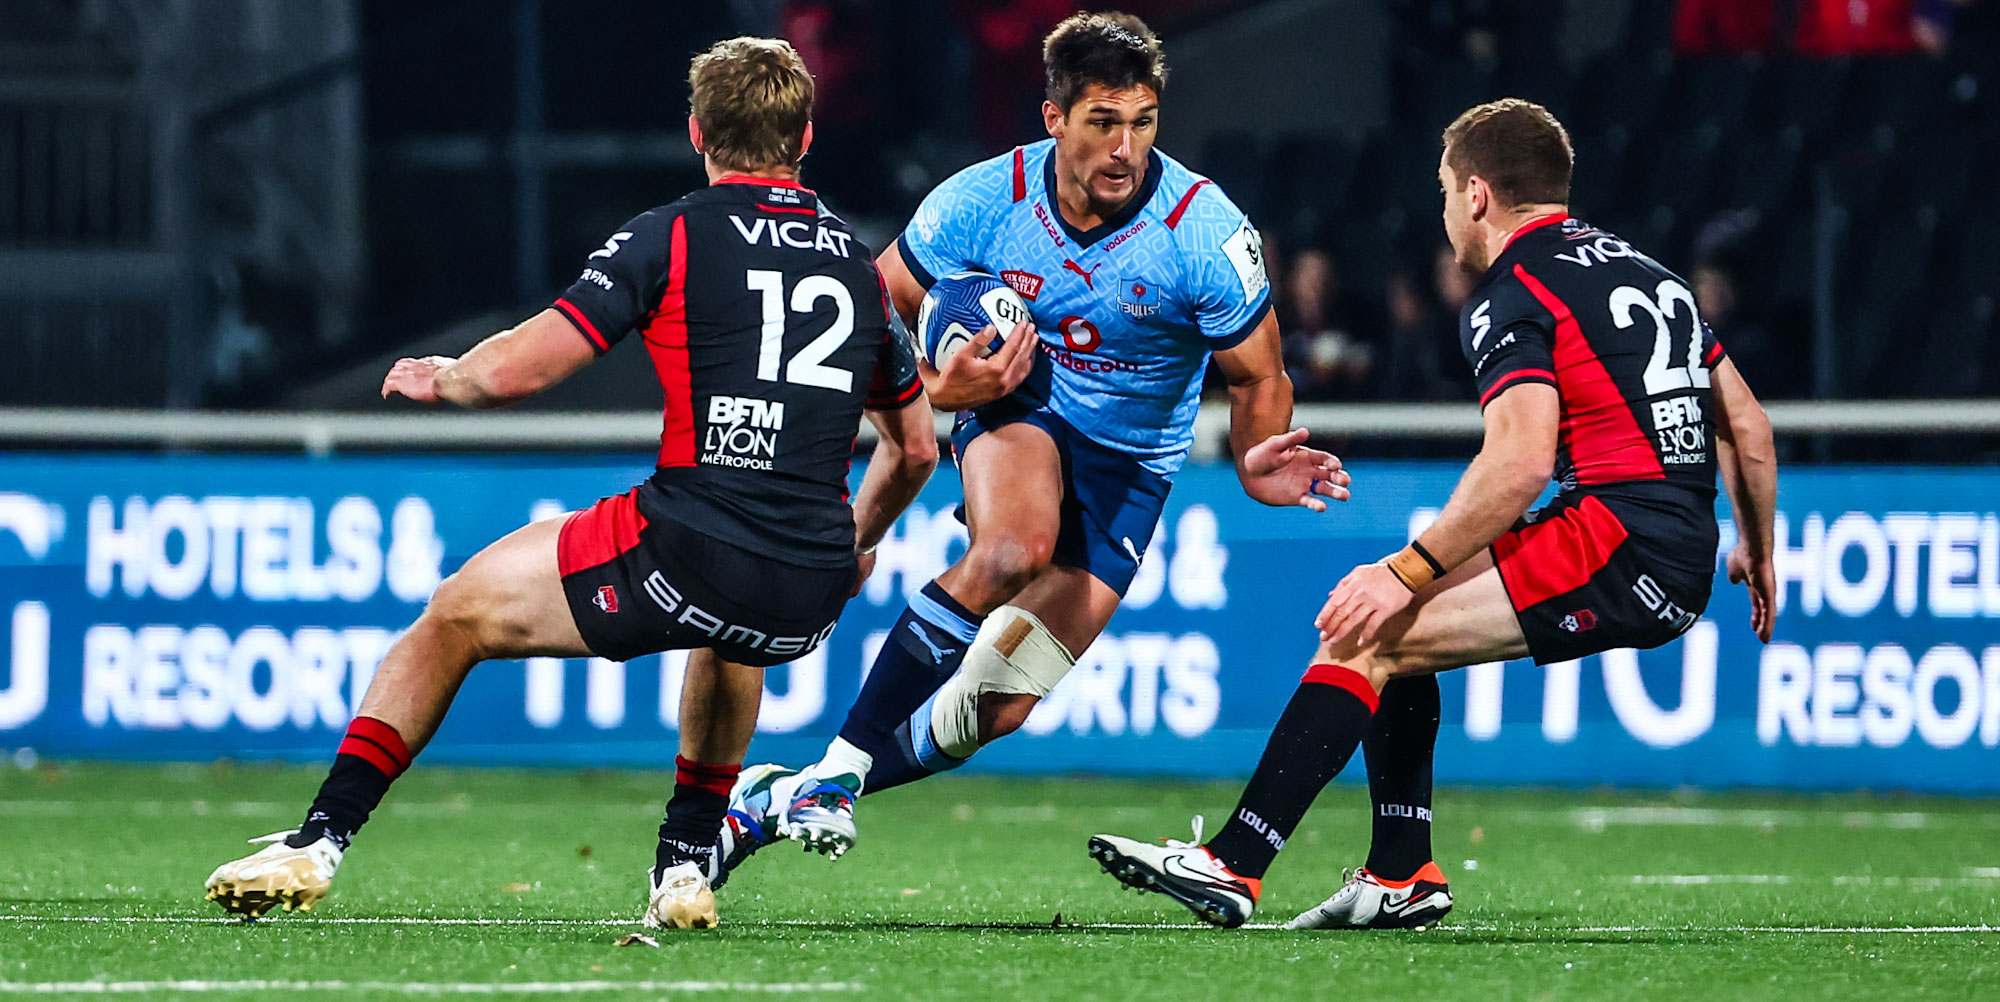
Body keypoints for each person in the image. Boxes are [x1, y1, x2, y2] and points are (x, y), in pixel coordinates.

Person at [201, 37, 938, 931]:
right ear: (806, 137)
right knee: (730, 633)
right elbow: (913, 450)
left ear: (697, 131)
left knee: (454, 617)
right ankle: (684, 866)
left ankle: (317, 841)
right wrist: (856, 547)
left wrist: (449, 377)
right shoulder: (860, 271)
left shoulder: (671, 233)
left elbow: (518, 370)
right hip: (807, 584)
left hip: (690, 542)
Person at [1087, 98, 1779, 929]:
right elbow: (1747, 426)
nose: (1445, 208)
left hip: (1615, 536)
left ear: (1478, 195)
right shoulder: (1648, 274)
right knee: (1396, 630)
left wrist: (1406, 566)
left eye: (1447, 189)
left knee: (1368, 628)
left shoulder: (1513, 289)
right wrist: (1754, 547)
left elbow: (1519, 462)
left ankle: (1232, 865)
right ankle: (1401, 873)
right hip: (1668, 536)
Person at [706, 11, 1348, 882]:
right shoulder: (981, 202)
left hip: (1133, 467)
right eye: (1103, 123)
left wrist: (1255, 458)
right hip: (1021, 407)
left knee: (988, 712)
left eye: (1143, 122)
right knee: (1013, 548)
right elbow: (871, 309)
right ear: (1055, 119)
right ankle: (844, 769)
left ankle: (787, 795)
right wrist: (937, 390)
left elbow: (1260, 376)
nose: (1126, 148)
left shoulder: (1202, 232)